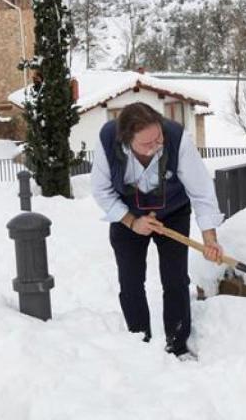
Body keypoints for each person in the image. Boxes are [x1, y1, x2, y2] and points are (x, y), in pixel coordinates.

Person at [91, 102, 225, 357]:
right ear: (127, 140)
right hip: (127, 217)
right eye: (146, 144)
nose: (156, 146)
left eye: (158, 138)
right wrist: (132, 222)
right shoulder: (108, 139)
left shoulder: (177, 139)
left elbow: (202, 191)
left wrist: (210, 238)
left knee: (175, 280)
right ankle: (139, 342)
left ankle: (178, 344)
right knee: (130, 281)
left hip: (173, 214)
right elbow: (101, 190)